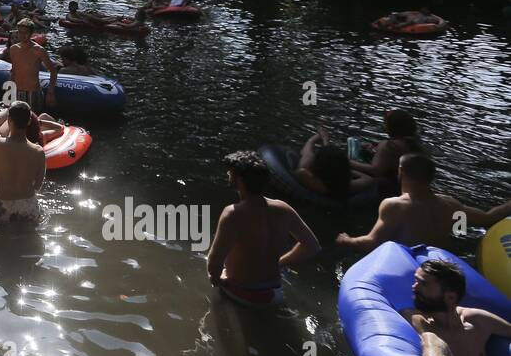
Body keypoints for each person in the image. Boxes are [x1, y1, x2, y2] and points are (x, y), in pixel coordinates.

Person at [206, 150, 321, 306]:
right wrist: (280, 262)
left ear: (238, 179)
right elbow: (312, 247)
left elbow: (214, 264)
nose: (228, 175)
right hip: (275, 293)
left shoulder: (232, 213)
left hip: (242, 293)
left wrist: (216, 281)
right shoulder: (284, 208)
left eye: (229, 173)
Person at [336, 153, 511, 254]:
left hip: (412, 265)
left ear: (401, 171)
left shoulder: (394, 206)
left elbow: (372, 242)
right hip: (444, 260)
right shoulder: (451, 205)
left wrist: (348, 240)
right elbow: (490, 217)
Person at [401, 258, 511, 356]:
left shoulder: (478, 320)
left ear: (450, 298)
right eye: (416, 281)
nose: (414, 287)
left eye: (423, 284)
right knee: (430, 337)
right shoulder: (417, 320)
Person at [0, 101, 46, 224]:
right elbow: (38, 186)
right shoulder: (39, 151)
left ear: (8, 120)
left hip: (2, 207)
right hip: (28, 209)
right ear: (29, 121)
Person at [351, 108, 425, 195]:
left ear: (391, 127)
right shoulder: (417, 145)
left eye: (385, 123)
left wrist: (347, 161)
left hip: (389, 191)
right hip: (413, 190)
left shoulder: (389, 146)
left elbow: (375, 171)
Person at [292, 128, 377, 200]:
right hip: (335, 179)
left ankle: (318, 137)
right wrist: (345, 167)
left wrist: (318, 139)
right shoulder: (345, 187)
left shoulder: (304, 174)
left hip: (314, 172)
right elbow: (368, 179)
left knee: (307, 156)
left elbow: (306, 161)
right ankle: (324, 139)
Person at [5, 20, 58, 110]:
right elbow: (14, 71)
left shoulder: (38, 50)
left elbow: (53, 71)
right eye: (20, 32)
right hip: (17, 91)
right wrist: (9, 92)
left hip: (33, 92)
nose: (22, 35)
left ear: (31, 33)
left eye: (25, 33)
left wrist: (50, 92)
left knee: (33, 120)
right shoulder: (13, 49)